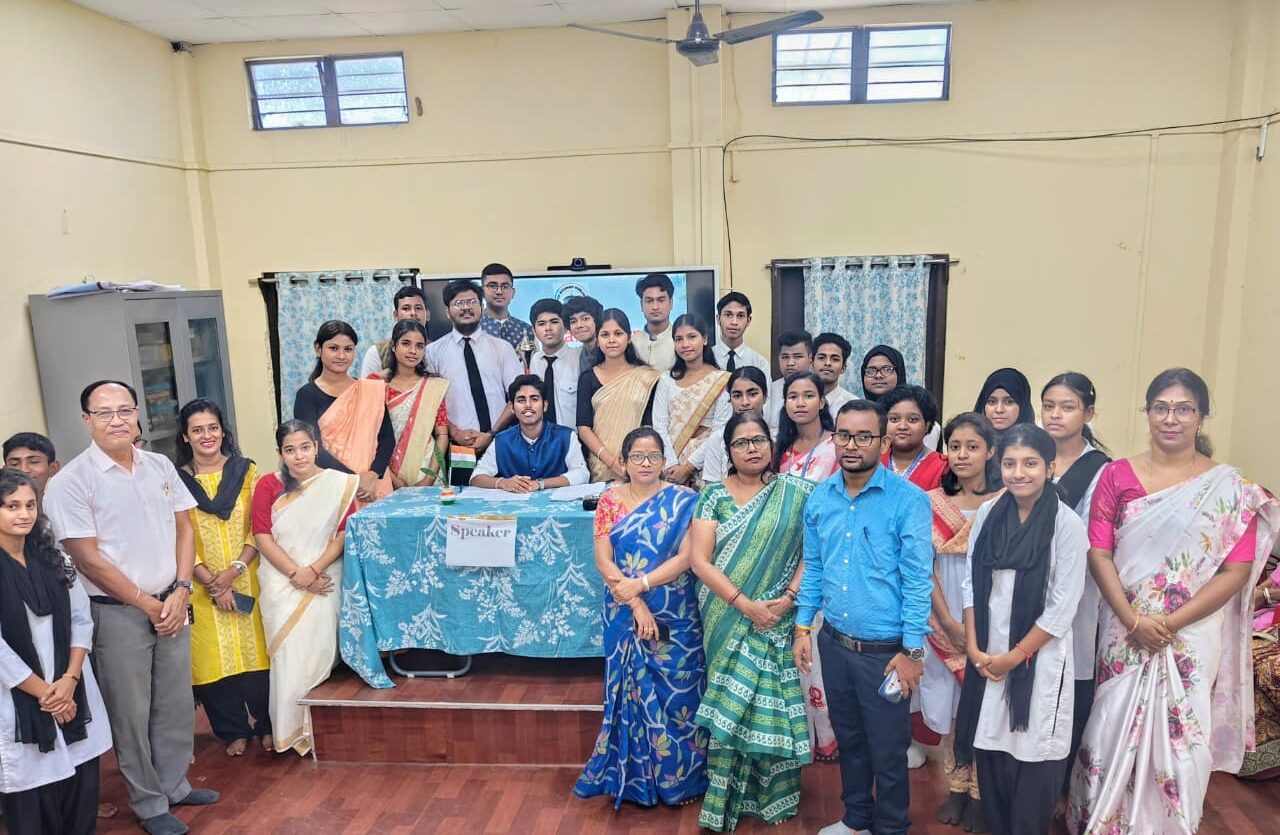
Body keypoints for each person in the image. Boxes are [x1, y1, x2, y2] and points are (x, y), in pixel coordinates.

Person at [1068, 368, 1279, 834]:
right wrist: (1133, 620)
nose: (1171, 418)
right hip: (1124, 625)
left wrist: (1171, 621)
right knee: (1109, 724)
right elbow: (1098, 552)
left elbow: (1236, 571)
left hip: (1190, 633)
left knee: (1183, 738)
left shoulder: (1229, 488)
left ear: (1201, 417)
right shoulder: (1116, 475)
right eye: (1161, 408)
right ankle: (1102, 822)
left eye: (1184, 409)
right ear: (1147, 413)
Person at [44, 380, 216, 835]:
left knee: (175, 701)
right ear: (87, 421)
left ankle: (174, 784)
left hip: (173, 602)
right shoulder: (70, 482)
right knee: (131, 712)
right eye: (104, 413)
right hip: (117, 612)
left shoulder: (158, 465)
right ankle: (148, 802)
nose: (117, 420)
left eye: (125, 410)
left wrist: (182, 589)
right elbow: (88, 560)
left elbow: (185, 529)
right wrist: (147, 604)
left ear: (137, 414)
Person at [794, 400, 932, 835]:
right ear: (833, 439)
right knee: (850, 740)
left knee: (888, 751)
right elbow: (814, 568)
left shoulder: (908, 501)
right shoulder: (820, 498)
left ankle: (891, 827)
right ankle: (856, 820)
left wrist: (912, 652)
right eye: (844, 435)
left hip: (886, 654)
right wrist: (802, 626)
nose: (852, 445)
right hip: (834, 643)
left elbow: (918, 582)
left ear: (883, 442)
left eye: (864, 436)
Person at [952, 424, 1087, 835]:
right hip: (988, 659)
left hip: (1038, 662)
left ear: (1050, 467)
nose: (1018, 473)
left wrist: (1014, 657)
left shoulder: (1066, 524)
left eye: (1030, 463)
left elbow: (1062, 606)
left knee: (1034, 763)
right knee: (990, 757)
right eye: (1010, 463)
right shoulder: (989, 514)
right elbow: (971, 584)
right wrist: (974, 648)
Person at [689, 414, 813, 831]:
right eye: (741, 443)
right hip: (725, 616)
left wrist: (788, 598)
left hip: (778, 615)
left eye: (759, 440)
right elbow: (699, 561)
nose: (752, 449)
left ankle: (770, 795)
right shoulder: (712, 495)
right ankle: (724, 797)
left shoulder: (796, 492)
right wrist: (745, 606)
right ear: (729, 451)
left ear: (771, 444)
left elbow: (812, 553)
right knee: (731, 702)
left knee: (769, 703)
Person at [573, 428, 707, 806]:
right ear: (624, 461)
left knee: (681, 690)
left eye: (653, 456)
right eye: (637, 456)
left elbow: (688, 556)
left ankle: (682, 780)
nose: (645, 463)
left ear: (664, 461)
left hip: (675, 611)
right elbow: (604, 560)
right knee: (629, 690)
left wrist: (644, 582)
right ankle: (633, 779)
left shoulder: (685, 500)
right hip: (623, 608)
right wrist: (635, 601)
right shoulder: (610, 500)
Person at [250, 420, 358, 757]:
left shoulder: (338, 484)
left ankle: (316, 733)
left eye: (305, 447)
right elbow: (261, 535)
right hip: (281, 582)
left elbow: (344, 533)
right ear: (280, 452)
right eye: (290, 450)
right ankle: (289, 730)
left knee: (319, 654)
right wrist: (296, 574)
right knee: (288, 657)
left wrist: (313, 570)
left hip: (324, 578)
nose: (298, 456)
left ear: (316, 447)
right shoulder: (268, 485)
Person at [174, 399, 271, 758]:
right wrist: (211, 581)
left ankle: (267, 724)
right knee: (211, 662)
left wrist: (233, 573)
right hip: (199, 585)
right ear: (186, 436)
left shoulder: (247, 472)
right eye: (197, 430)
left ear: (222, 431)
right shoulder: (176, 482)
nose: (207, 435)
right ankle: (232, 730)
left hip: (247, 576)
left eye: (212, 428)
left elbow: (259, 525)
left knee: (258, 657)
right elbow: (177, 532)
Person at [922, 413, 1002, 832]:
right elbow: (922, 567)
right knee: (954, 709)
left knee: (987, 707)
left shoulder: (1005, 501)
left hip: (992, 620)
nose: (963, 454)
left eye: (973, 446)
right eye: (955, 446)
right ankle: (955, 787)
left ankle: (980, 793)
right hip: (944, 616)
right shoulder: (930, 502)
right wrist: (948, 622)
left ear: (991, 451)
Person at [1039, 371, 1111, 808]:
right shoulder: (1031, 454)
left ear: (1088, 412)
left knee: (1071, 676)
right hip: (1026, 584)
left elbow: (1096, 535)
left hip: (1077, 587)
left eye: (1067, 407)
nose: (1056, 415)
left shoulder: (1101, 470)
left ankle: (1060, 787)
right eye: (1049, 406)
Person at [425, 279, 522, 485]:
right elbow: (431, 405)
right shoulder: (433, 353)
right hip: (459, 446)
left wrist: (491, 433)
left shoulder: (502, 348)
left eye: (472, 302)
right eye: (459, 303)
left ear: (481, 307)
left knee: (509, 495)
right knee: (462, 498)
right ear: (447, 311)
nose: (466, 308)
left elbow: (518, 398)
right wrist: (455, 433)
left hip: (501, 441)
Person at [292, 320, 395, 504]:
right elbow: (313, 448)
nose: (341, 355)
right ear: (318, 349)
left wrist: (373, 474)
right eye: (334, 348)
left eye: (348, 349)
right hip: (331, 486)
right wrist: (355, 481)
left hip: (374, 485)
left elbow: (387, 438)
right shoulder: (306, 395)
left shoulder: (370, 390)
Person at [576, 309, 661, 483]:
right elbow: (583, 428)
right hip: (600, 465)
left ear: (629, 338)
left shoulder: (647, 377)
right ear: (597, 339)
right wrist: (612, 462)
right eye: (605, 335)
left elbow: (650, 424)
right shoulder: (587, 378)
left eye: (618, 333)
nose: (612, 340)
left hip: (640, 464)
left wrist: (635, 459)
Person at [469, 376, 589, 491]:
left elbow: (582, 474)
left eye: (534, 399)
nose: (528, 405)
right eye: (521, 400)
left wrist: (540, 484)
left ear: (545, 405)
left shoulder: (565, 436)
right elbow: (476, 477)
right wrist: (503, 483)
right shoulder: (501, 440)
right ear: (512, 408)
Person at [652, 314, 731, 486]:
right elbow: (659, 425)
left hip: (708, 464)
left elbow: (720, 431)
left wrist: (688, 467)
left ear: (705, 339)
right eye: (679, 339)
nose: (685, 344)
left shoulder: (722, 381)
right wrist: (672, 465)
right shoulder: (667, 379)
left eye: (692, 337)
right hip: (670, 467)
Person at [374, 320, 449, 489]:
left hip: (426, 470)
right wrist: (392, 479)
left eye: (419, 346)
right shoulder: (376, 385)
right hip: (384, 472)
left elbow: (442, 434)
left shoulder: (433, 386)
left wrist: (429, 478)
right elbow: (368, 436)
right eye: (406, 344)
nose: (413, 351)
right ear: (394, 346)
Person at [1241, 538, 1280, 779]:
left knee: (1268, 666)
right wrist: (1256, 595)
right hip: (1268, 622)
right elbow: (1266, 587)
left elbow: (1266, 592)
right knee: (1237, 653)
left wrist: (1266, 595)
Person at [861, 345, 941, 450]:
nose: (878, 375)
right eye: (871, 370)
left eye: (887, 369)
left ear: (899, 372)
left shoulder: (921, 422)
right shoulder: (859, 416)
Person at [701, 366, 769, 484]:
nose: (745, 402)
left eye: (752, 394)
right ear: (730, 399)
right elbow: (711, 488)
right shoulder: (719, 438)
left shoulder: (776, 437)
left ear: (765, 397)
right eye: (737, 396)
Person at [774, 372, 839, 483]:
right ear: (785, 405)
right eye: (793, 397)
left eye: (809, 396)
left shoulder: (837, 445)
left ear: (822, 402)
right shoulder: (781, 448)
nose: (800, 403)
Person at [880, 385, 947, 491]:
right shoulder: (873, 460)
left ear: (927, 425)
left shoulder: (944, 467)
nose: (902, 426)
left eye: (912, 420)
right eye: (894, 419)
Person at [528, 298, 581, 427]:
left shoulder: (579, 357)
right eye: (541, 324)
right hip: (543, 435)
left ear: (566, 327)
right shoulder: (535, 360)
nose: (548, 328)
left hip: (575, 435)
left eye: (554, 322)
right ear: (534, 331)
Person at [358, 285, 429, 379]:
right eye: (406, 308)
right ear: (395, 315)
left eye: (418, 308)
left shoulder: (435, 350)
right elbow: (367, 386)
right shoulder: (377, 352)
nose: (413, 313)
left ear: (427, 314)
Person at [477, 263, 534, 350]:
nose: (499, 291)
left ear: (513, 293)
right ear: (481, 292)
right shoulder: (472, 328)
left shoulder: (526, 330)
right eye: (493, 286)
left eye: (505, 286)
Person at [712, 291, 769, 375]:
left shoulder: (760, 363)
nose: (734, 322)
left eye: (740, 316)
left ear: (748, 321)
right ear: (718, 319)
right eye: (728, 315)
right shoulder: (706, 359)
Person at [767, 329, 814, 430]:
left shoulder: (819, 390)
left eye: (797, 357)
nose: (790, 363)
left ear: (810, 358)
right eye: (785, 357)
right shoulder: (769, 391)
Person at [631, 273, 677, 372]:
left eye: (661, 300)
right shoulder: (632, 342)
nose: (655, 307)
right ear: (641, 305)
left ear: (671, 303)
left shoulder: (680, 342)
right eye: (649, 301)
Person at [973, 368, 1034, 436]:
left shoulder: (1037, 441)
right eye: (992, 402)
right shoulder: (970, 439)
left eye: (1009, 402)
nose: (999, 410)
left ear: (1023, 405)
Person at [3, 433, 60, 502]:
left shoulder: (65, 505)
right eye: (14, 464)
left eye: (34, 461)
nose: (24, 470)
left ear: (53, 468)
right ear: (5, 471)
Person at [813, 333, 857, 417]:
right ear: (811, 364)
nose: (827, 363)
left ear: (843, 367)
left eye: (835, 359)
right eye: (821, 358)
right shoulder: (800, 403)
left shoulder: (854, 406)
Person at [564, 294, 604, 370]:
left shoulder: (609, 350)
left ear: (596, 320)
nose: (579, 325)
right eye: (573, 321)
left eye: (585, 319)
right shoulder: (576, 355)